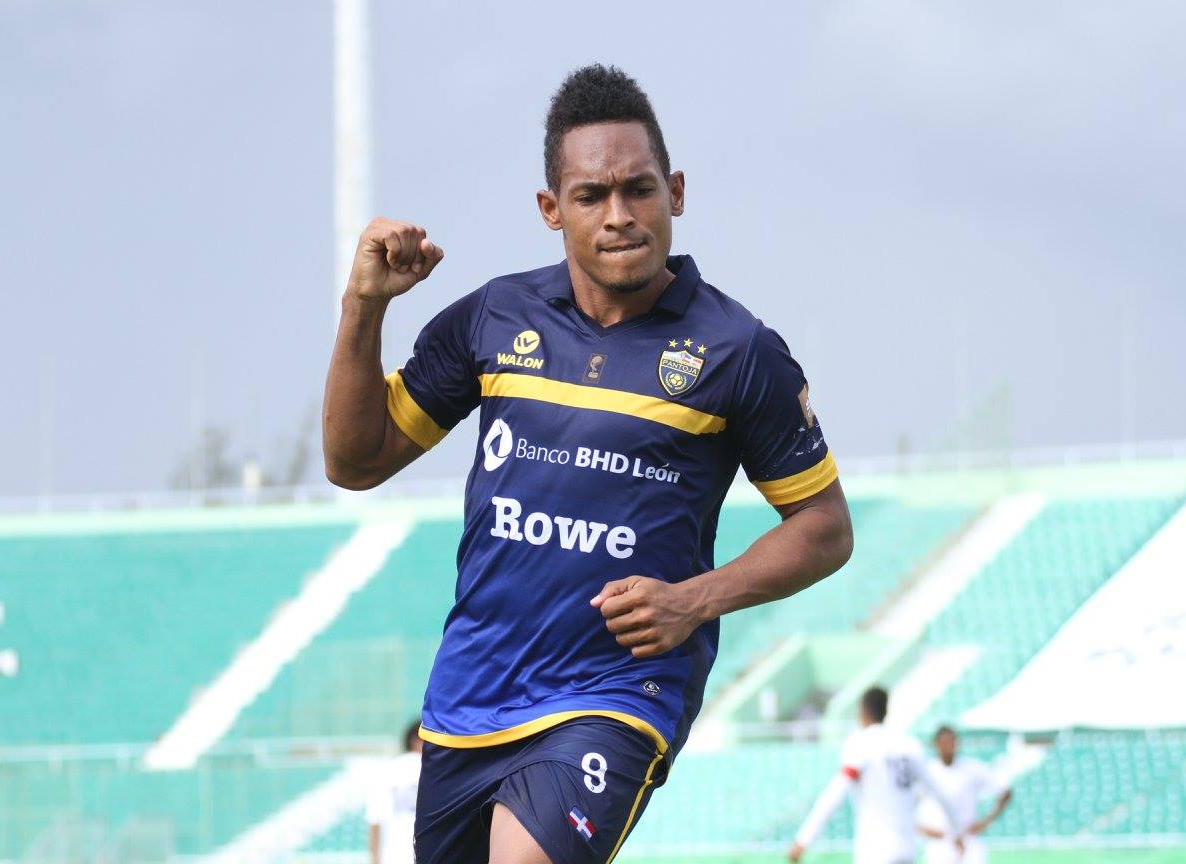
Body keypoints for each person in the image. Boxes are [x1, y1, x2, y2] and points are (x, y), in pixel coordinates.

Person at [322, 64, 853, 864]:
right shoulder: (494, 317)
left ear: (676, 192)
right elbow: (355, 462)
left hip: (616, 694)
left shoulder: (738, 351)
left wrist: (693, 601)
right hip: (471, 695)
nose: (619, 216)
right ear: (551, 209)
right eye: (590, 196)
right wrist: (364, 305)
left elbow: (825, 527)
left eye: (639, 190)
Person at [788, 687, 960, 864]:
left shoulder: (861, 743)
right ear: (885, 711)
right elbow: (939, 792)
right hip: (906, 850)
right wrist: (956, 832)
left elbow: (836, 792)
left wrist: (804, 839)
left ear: (863, 711)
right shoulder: (910, 746)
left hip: (875, 850)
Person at [917, 726, 1013, 864]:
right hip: (940, 841)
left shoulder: (972, 768)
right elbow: (906, 801)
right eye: (945, 742)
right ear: (936, 744)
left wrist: (985, 822)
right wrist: (921, 828)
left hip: (968, 839)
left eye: (952, 741)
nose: (949, 746)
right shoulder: (927, 771)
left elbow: (1005, 791)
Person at [366, 721, 425, 864]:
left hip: (392, 855)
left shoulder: (386, 770)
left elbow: (375, 820)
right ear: (417, 741)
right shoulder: (439, 772)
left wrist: (374, 859)